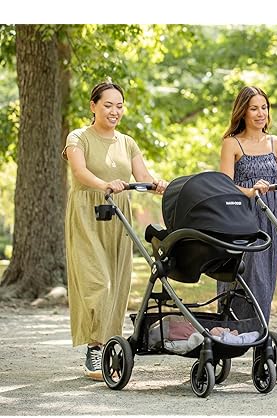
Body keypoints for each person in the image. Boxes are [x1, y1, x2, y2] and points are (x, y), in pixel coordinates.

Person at [62, 81, 168, 380]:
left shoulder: (127, 142)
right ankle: (94, 348)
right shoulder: (78, 137)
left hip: (118, 216)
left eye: (119, 106)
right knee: (99, 282)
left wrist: (158, 185)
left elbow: (143, 176)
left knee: (118, 284)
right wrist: (105, 184)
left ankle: (108, 344)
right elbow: (80, 172)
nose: (114, 111)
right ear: (93, 106)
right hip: (87, 213)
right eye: (108, 105)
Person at [218, 86, 277, 323]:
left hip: (269, 218)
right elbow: (224, 185)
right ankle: (233, 328)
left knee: (265, 277)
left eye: (264, 107)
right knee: (245, 275)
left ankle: (260, 329)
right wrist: (251, 191)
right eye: (254, 109)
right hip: (242, 218)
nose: (261, 113)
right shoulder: (232, 144)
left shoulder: (276, 143)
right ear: (243, 112)